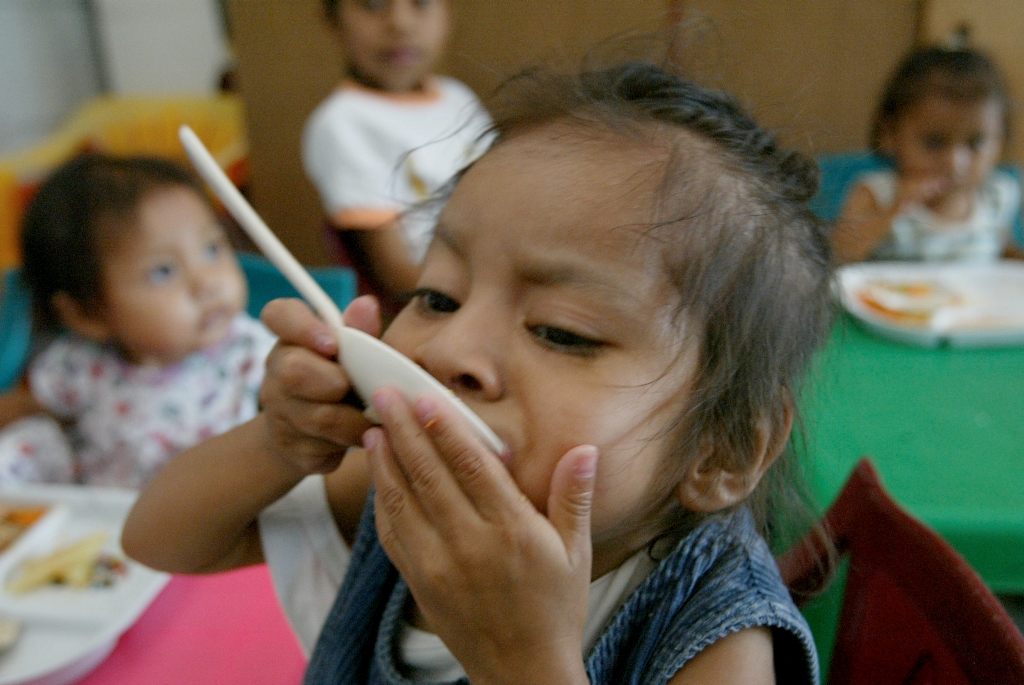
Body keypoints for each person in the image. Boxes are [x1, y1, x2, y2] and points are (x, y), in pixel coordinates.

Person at [123, 62, 835, 685]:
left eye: (561, 331)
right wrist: (279, 444)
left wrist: (522, 665)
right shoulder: (398, 487)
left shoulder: (718, 636)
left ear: (724, 447)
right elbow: (157, 540)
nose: (449, 347)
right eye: (437, 296)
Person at [0, 154, 276, 488]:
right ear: (89, 314)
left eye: (212, 249)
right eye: (163, 271)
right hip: (102, 522)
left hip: (211, 525)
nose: (207, 283)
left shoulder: (255, 354)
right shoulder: (83, 362)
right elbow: (24, 406)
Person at [304, 0, 492, 316]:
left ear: (448, 11)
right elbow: (400, 277)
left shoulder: (457, 97)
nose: (400, 24)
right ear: (333, 21)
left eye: (421, 3)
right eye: (373, 5)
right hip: (453, 306)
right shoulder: (344, 123)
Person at [832, 45, 1021, 263]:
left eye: (975, 143)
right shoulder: (878, 195)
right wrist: (894, 211)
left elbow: (1003, 254)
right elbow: (839, 257)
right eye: (934, 142)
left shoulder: (995, 197)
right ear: (890, 135)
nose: (955, 162)